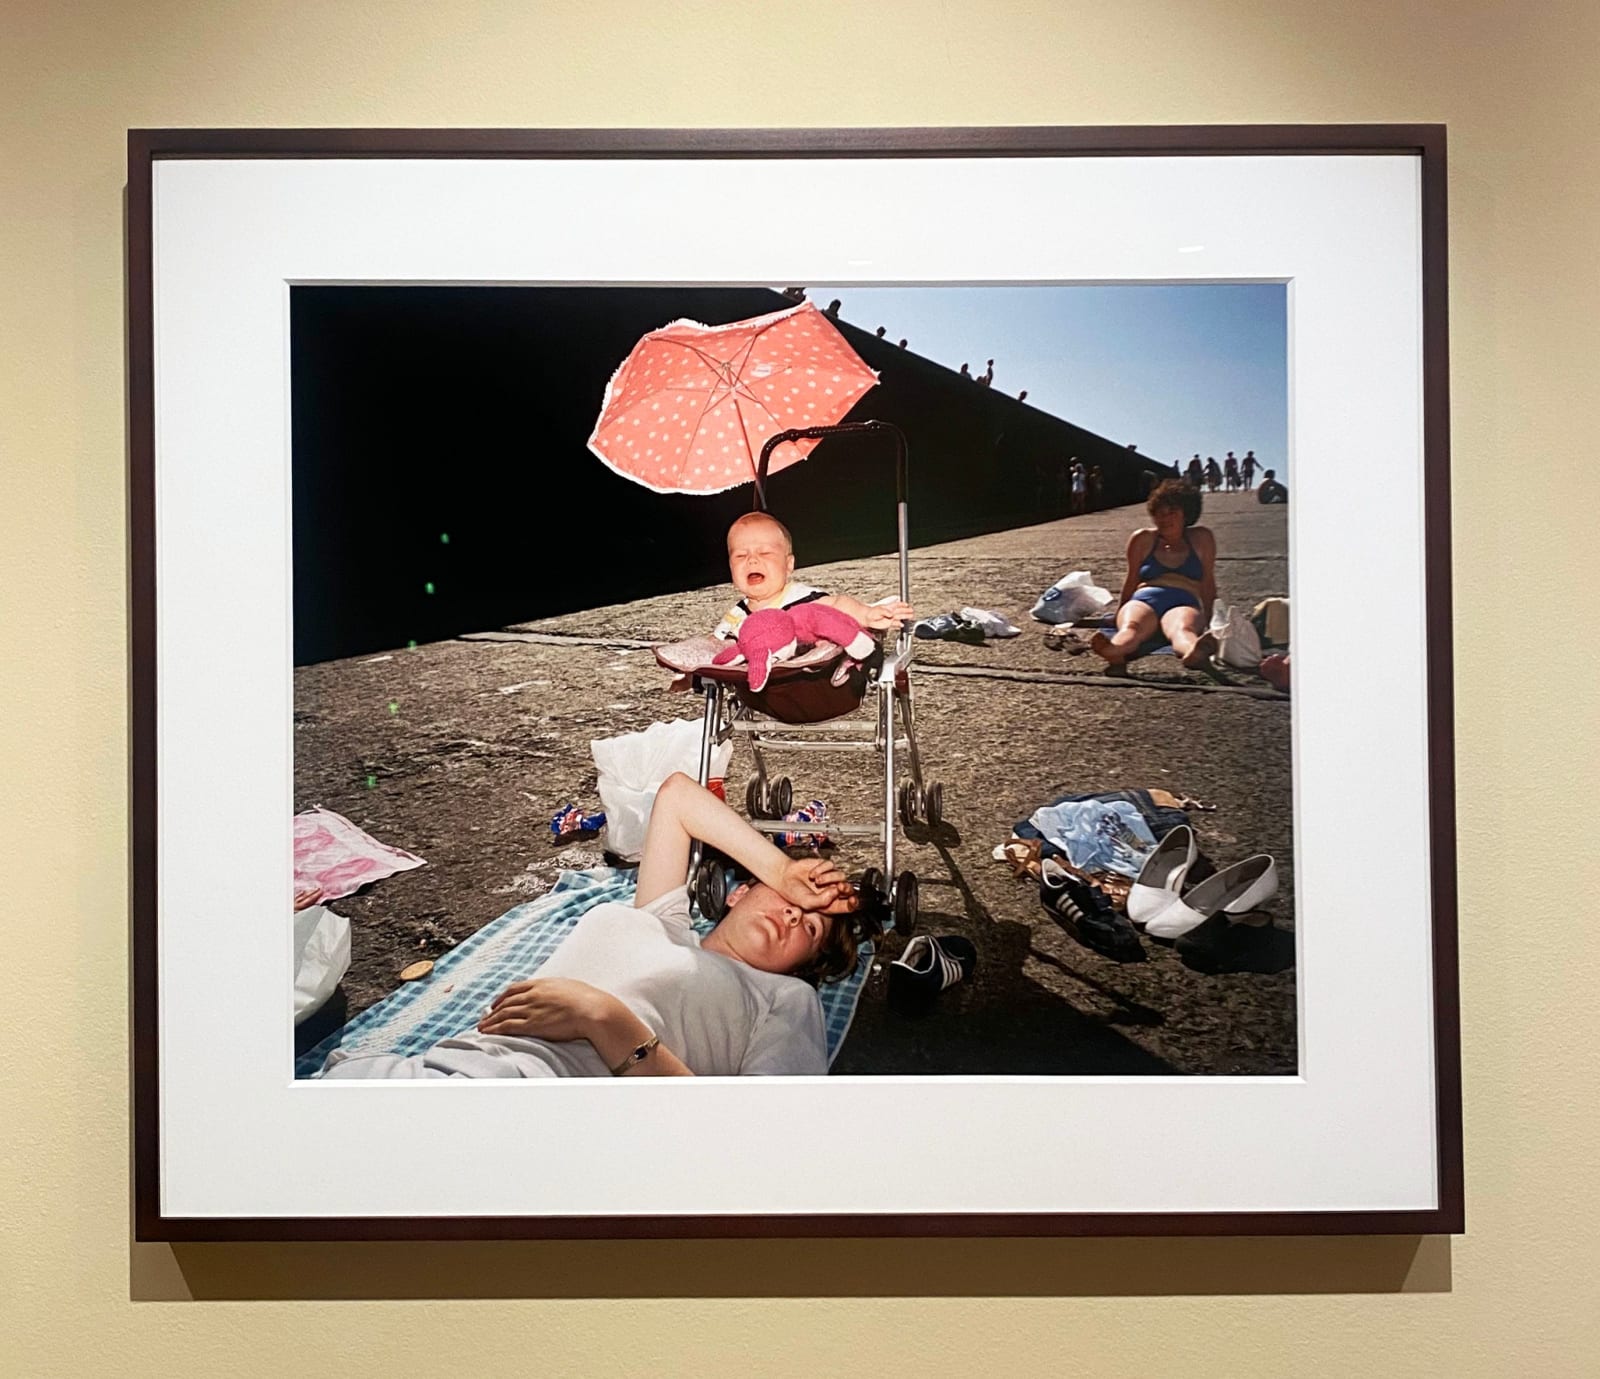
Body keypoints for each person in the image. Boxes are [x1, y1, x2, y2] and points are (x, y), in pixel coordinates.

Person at [319, 774, 863, 1079]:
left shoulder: (783, 998)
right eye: (793, 902)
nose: (795, 914)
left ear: (802, 967)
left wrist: (604, 1020)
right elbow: (676, 798)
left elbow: (757, 1137)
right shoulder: (661, 922)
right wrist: (782, 869)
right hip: (442, 1072)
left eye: (810, 932)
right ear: (739, 892)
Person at [715, 511, 913, 640]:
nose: (752, 560)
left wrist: (866, 615)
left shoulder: (800, 599)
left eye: (765, 553)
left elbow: (837, 605)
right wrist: (689, 675)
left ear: (789, 565)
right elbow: (714, 647)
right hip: (758, 687)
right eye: (740, 556)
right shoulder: (737, 616)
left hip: (807, 680)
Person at [1090, 478, 1218, 669]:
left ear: (1186, 514)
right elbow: (1131, 579)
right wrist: (1119, 612)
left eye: (1172, 512)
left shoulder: (1201, 538)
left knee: (1183, 628)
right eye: (1159, 513)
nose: (1164, 518)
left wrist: (1213, 619)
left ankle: (1192, 651)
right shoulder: (1142, 539)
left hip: (1183, 601)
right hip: (1144, 598)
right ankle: (1114, 650)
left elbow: (1207, 582)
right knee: (1131, 627)